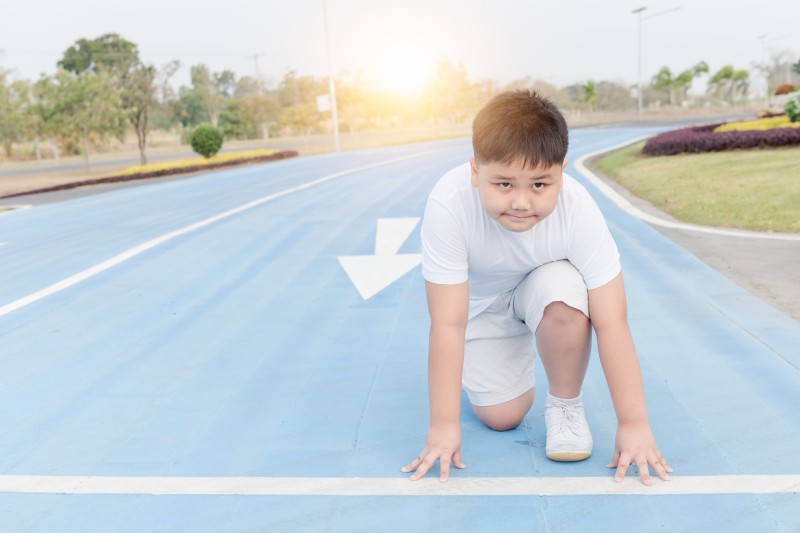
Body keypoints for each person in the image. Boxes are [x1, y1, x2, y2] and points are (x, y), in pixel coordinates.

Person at [401, 90, 672, 486]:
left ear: (562, 172)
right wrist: (443, 426)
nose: (522, 202)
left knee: (565, 295)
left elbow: (612, 320)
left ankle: (565, 404)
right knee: (502, 418)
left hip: (543, 287)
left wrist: (634, 424)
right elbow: (447, 323)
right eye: (505, 184)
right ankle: (509, 349)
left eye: (541, 185)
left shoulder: (578, 209)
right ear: (476, 171)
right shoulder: (449, 204)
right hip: (481, 306)